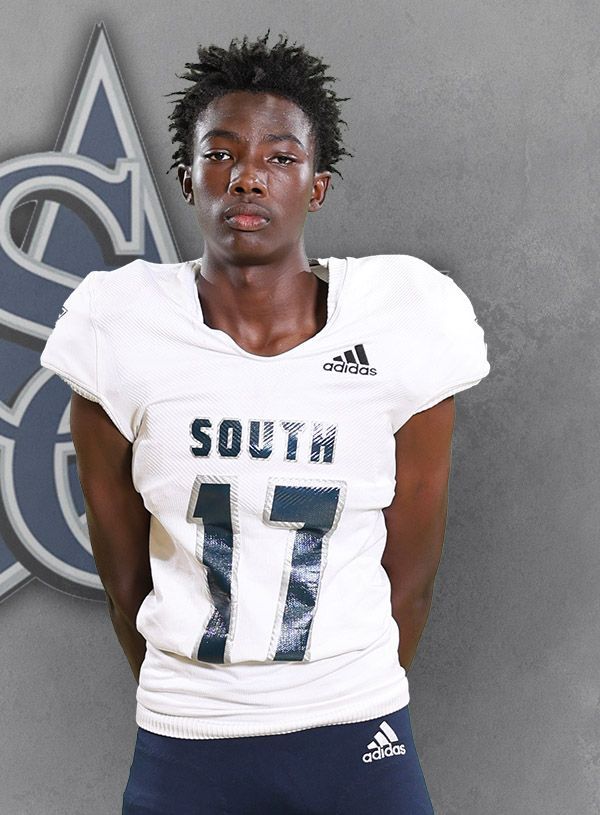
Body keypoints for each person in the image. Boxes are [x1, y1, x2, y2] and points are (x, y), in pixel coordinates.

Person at [40, 32, 490, 815]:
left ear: (316, 187)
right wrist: (203, 695)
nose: (247, 176)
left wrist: (342, 690)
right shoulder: (120, 327)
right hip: (188, 733)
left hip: (355, 724)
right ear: (188, 177)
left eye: (281, 157)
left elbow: (411, 579)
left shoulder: (403, 321)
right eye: (221, 153)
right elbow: (125, 583)